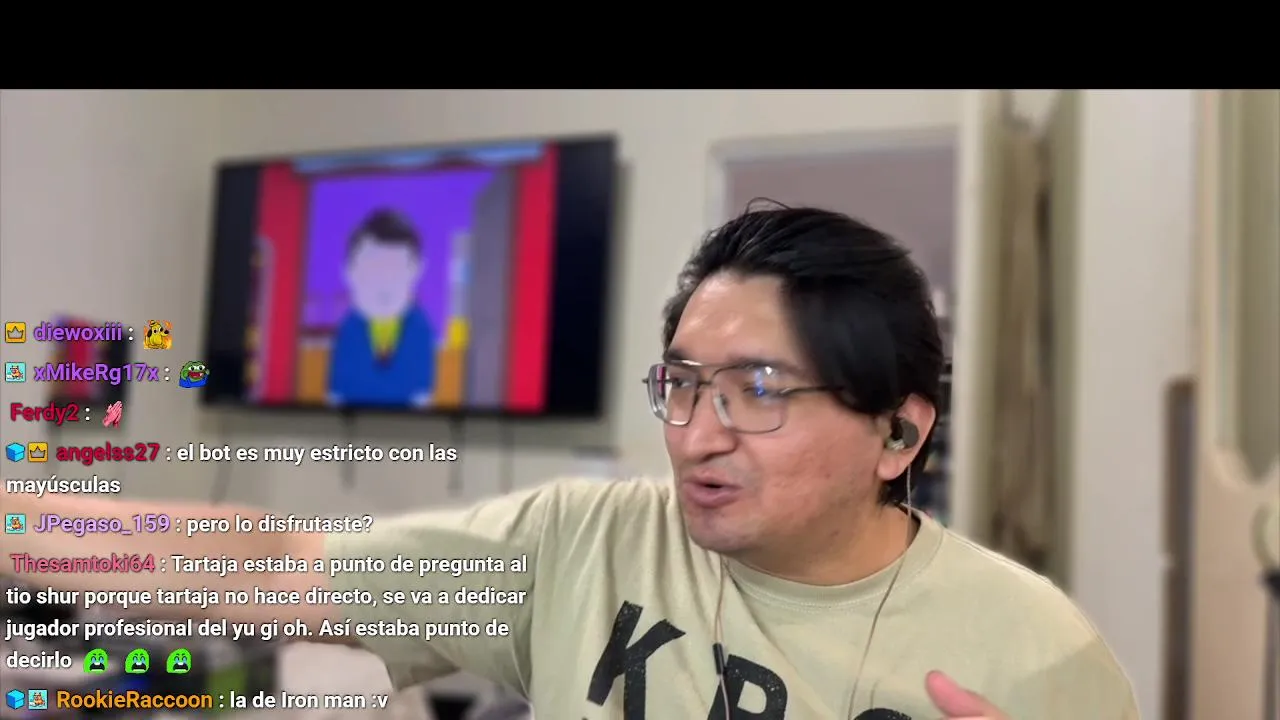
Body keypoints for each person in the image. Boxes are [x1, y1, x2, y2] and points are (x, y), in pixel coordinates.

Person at [1, 206, 1137, 719]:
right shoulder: (580, 541)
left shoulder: (1038, 654)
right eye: (680, 383)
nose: (697, 432)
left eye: (758, 391)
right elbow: (279, 559)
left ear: (899, 433)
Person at [328, 208, 436, 408]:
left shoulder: (420, 328)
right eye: (373, 269)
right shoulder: (348, 329)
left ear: (417, 270)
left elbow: (422, 394)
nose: (384, 282)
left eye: (395, 269)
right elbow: (337, 393)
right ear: (349, 272)